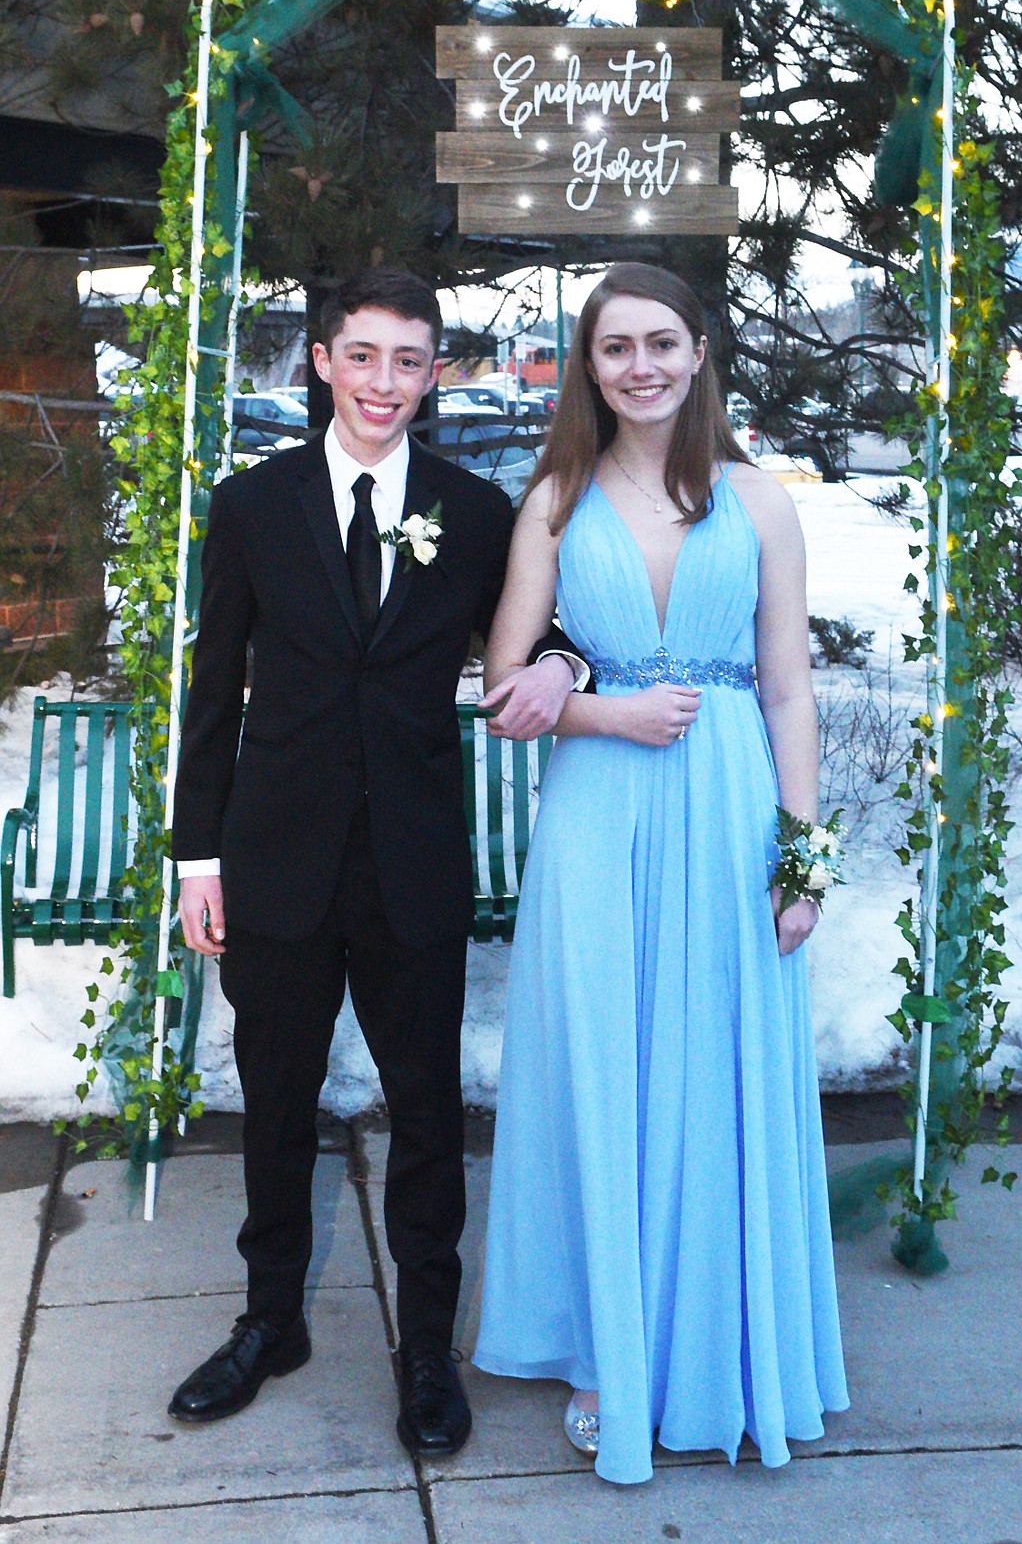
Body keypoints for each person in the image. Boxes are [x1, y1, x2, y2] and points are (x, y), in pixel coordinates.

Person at [167, 268, 584, 1456]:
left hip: (411, 866)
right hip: (276, 861)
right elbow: (212, 696)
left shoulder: (475, 507)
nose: (384, 383)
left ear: (435, 372)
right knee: (276, 1108)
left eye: (409, 360)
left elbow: (534, 635)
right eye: (363, 356)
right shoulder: (252, 505)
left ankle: (424, 1349)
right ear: (320, 360)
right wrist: (200, 856)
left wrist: (568, 669)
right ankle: (269, 1320)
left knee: (428, 1116)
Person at [472, 262, 848, 1484]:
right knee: (607, 1070)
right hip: (600, 818)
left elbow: (790, 688)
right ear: (589, 365)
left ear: (698, 355)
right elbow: (505, 685)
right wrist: (601, 711)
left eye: (661, 343)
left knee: (714, 1064)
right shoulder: (553, 501)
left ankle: (728, 1342)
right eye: (615, 346)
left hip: (734, 809)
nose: (639, 365)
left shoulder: (761, 500)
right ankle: (605, 1345)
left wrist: (804, 859)